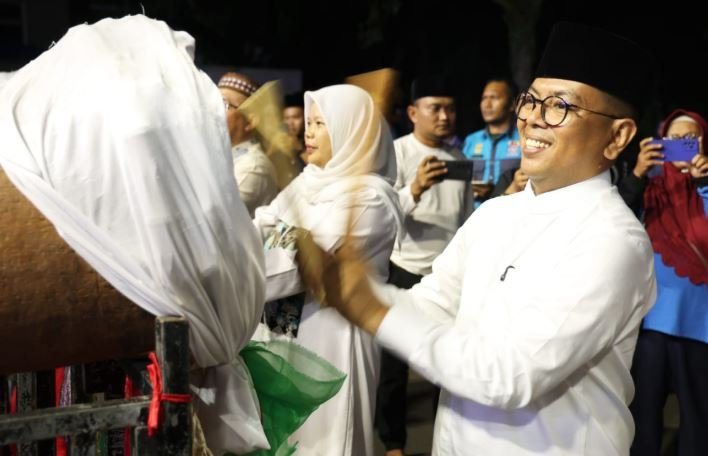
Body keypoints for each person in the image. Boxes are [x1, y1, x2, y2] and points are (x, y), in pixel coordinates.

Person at [299, 22, 658, 455]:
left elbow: (510, 375)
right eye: (531, 101)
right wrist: (352, 290)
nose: (532, 118)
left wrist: (370, 306)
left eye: (559, 106)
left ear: (617, 136)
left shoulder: (612, 241)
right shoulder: (496, 214)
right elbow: (431, 303)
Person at [253, 84, 402, 456]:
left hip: (333, 340)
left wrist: (282, 235)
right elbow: (261, 225)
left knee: (330, 440)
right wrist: (292, 235)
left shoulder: (369, 199)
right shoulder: (308, 181)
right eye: (309, 122)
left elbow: (304, 265)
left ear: (353, 133)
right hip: (285, 333)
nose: (309, 132)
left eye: (321, 124)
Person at [376, 74, 472, 456]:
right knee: (393, 366)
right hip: (403, 268)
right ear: (414, 113)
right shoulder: (395, 153)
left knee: (444, 365)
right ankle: (393, 444)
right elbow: (380, 215)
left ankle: (442, 441)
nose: (445, 116)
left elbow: (466, 220)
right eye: (436, 108)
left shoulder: (459, 160)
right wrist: (414, 188)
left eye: (450, 109)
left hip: (446, 275)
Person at [628, 109, 708, 456]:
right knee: (642, 418)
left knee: (698, 421)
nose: (681, 145)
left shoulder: (706, 187)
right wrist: (637, 174)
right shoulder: (649, 191)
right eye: (673, 139)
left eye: (690, 138)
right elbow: (615, 221)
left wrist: (704, 184)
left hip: (700, 325)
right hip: (650, 322)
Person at [218, 72, 278, 217]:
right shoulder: (221, 155)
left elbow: (213, 219)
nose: (213, 111)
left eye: (223, 105)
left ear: (251, 121)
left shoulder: (253, 167)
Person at [462, 77, 521, 207]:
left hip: (511, 211)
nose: (487, 104)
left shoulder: (523, 139)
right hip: (475, 214)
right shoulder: (471, 141)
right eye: (484, 98)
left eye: (494, 98)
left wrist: (496, 191)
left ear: (512, 104)